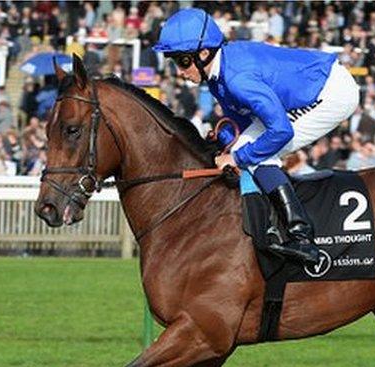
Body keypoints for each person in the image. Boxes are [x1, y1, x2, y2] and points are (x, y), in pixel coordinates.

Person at [153, 8, 360, 264]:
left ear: (203, 53)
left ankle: (302, 237)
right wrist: (223, 140)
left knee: (256, 152)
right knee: (245, 145)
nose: (180, 71)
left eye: (183, 61)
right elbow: (242, 121)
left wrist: (237, 158)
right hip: (313, 83)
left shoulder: (237, 78)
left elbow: (280, 130)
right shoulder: (218, 74)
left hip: (332, 93)